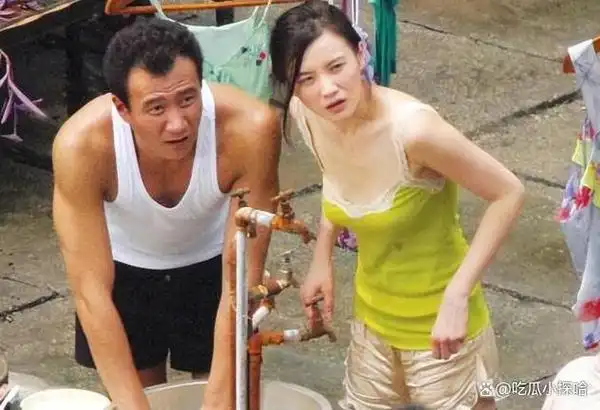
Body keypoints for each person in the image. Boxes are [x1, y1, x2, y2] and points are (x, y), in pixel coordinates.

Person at [269, 1, 525, 409]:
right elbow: (337, 175)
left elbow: (509, 192)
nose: (327, 89)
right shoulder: (310, 114)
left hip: (441, 332)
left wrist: (458, 295)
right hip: (372, 324)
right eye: (306, 79)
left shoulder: (414, 131)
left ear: (360, 54)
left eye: (336, 67)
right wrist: (322, 256)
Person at [52, 18, 280, 410]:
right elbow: (90, 292)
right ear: (122, 108)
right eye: (156, 108)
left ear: (202, 84)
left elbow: (244, 278)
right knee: (141, 399)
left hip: (216, 266)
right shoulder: (82, 146)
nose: (177, 124)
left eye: (188, 99)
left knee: (225, 396)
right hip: (127, 270)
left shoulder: (251, 129)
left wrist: (218, 398)